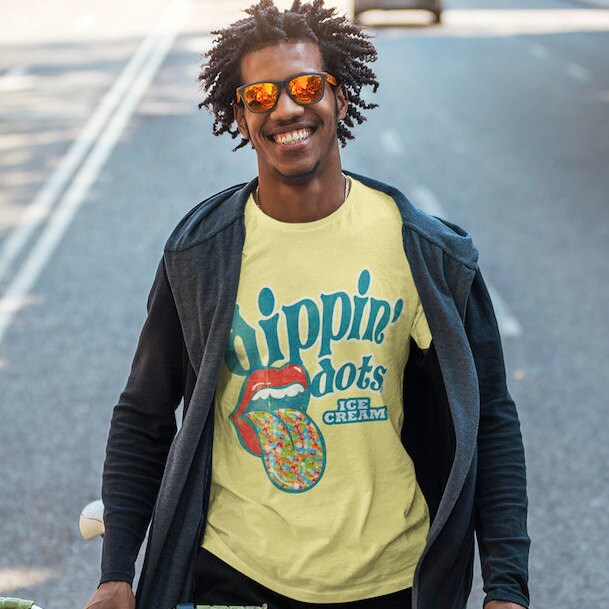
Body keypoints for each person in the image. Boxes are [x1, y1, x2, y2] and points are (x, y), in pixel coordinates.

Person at [83, 1, 530, 608]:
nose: (286, 108)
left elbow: (492, 418)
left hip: (392, 580)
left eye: (305, 87)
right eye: (260, 96)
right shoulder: (201, 254)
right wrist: (116, 574)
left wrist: (507, 587)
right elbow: (144, 415)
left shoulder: (423, 250)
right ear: (240, 117)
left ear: (339, 99)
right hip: (236, 574)